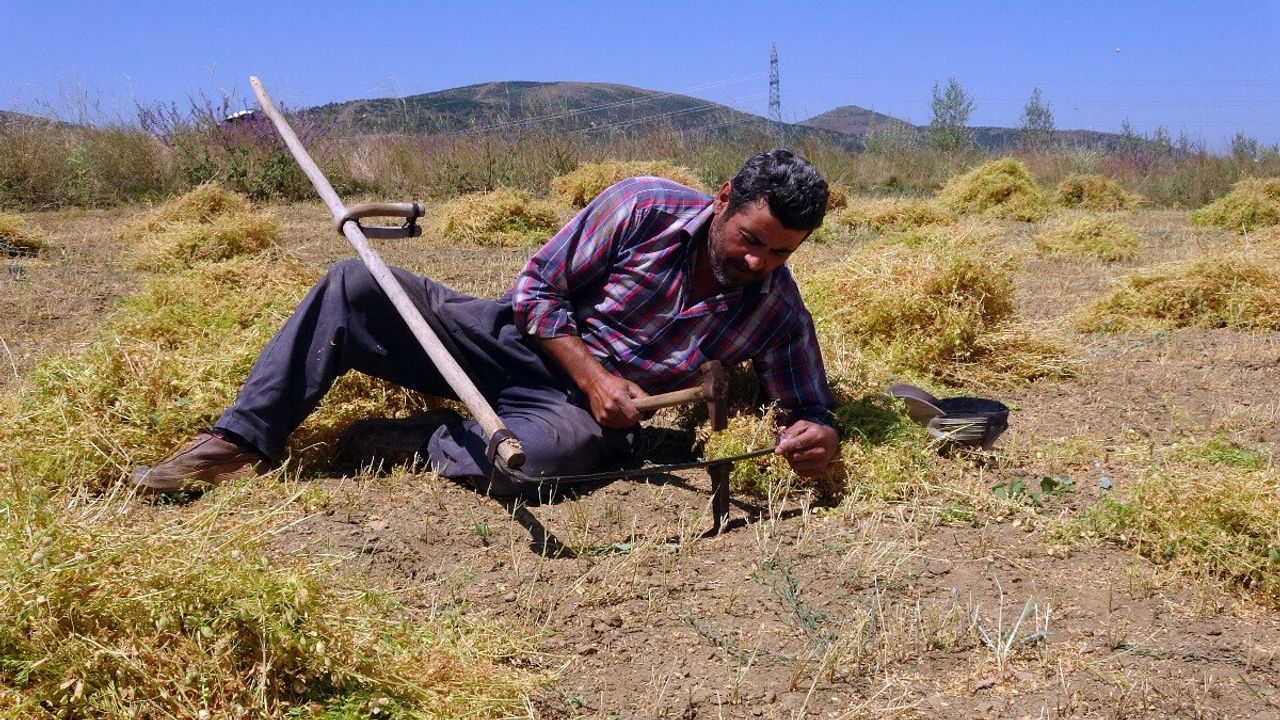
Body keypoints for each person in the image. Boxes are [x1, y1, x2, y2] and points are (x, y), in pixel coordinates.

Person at [131, 149, 841, 498]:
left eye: (781, 252)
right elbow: (537, 292)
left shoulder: (776, 307)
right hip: (514, 339)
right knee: (355, 287)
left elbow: (808, 404)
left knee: (541, 464)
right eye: (752, 238)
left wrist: (817, 436)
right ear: (723, 199)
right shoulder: (642, 207)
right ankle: (237, 442)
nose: (759, 260)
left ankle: (417, 440)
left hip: (565, 411)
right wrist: (595, 375)